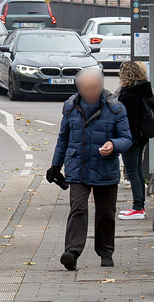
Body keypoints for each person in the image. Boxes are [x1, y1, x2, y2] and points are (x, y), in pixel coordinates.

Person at [49, 67, 132, 270]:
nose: (90, 92)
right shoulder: (70, 107)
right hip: (78, 166)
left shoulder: (116, 108)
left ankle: (105, 252)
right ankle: (72, 252)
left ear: (101, 86)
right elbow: (63, 138)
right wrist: (55, 166)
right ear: (79, 89)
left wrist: (113, 144)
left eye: (94, 87)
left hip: (105, 168)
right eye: (86, 88)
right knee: (78, 208)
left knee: (105, 213)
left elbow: (127, 139)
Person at [116, 59, 151, 220]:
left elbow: (126, 119)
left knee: (132, 172)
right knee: (136, 171)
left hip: (131, 137)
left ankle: (138, 207)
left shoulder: (128, 94)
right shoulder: (144, 90)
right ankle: (140, 206)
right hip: (142, 136)